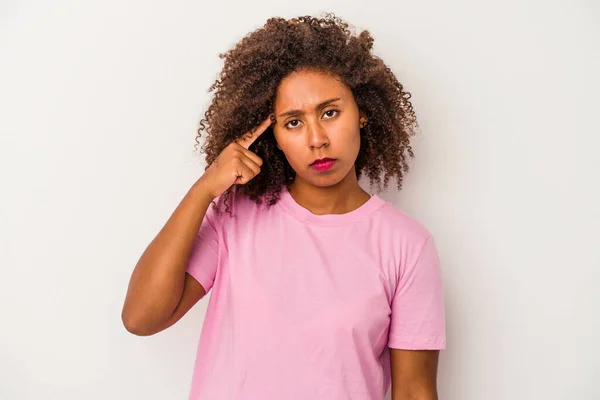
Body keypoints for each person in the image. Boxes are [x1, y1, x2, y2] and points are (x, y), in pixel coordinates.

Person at [122, 13, 446, 400]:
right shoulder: (234, 216)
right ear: (270, 134)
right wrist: (205, 188)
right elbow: (141, 318)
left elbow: (414, 390)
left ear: (362, 112)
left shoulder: (406, 245)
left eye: (330, 112)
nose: (316, 139)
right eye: (293, 122)